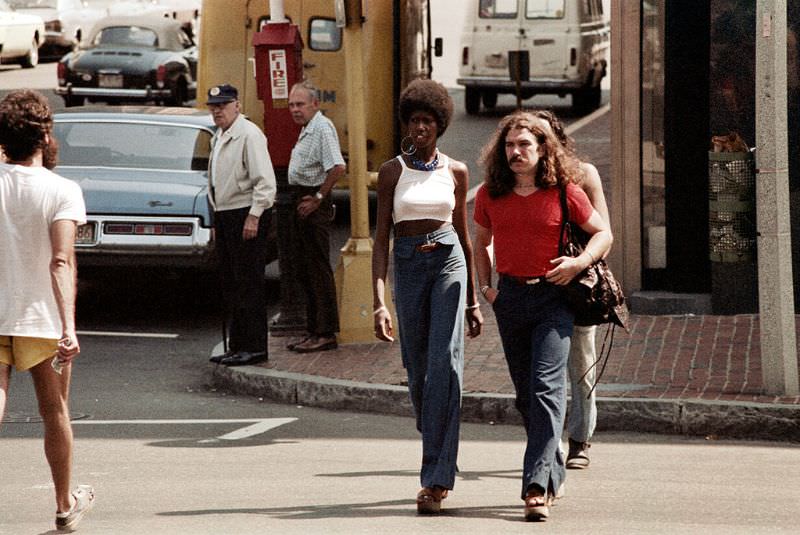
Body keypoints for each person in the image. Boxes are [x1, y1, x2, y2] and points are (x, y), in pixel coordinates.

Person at [473, 110, 612, 521]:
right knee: (524, 395)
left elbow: (603, 232)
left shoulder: (566, 191)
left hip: (554, 299)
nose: (516, 153)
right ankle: (551, 468)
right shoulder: (489, 194)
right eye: (510, 146)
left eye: (524, 146)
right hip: (511, 298)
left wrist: (579, 262)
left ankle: (536, 486)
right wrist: (487, 289)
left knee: (547, 387)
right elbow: (480, 243)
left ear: (542, 150)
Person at [372, 78, 483, 514]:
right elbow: (381, 239)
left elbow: (466, 237)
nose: (420, 129)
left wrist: (473, 300)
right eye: (414, 121)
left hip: (448, 264)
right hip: (408, 263)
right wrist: (380, 300)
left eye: (428, 122)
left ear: (440, 127)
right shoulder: (391, 172)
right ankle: (433, 427)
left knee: (444, 366)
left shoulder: (456, 171)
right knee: (418, 371)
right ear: (406, 123)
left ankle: (436, 479)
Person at [0, 89, 95, 531]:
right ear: (45, 136)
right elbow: (61, 260)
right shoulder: (62, 191)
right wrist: (69, 325)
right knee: (54, 410)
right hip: (42, 317)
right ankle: (63, 503)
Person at [532, 109, 610, 469]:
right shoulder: (525, 178)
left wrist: (579, 263)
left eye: (545, 138)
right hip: (538, 284)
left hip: (577, 281)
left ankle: (580, 437)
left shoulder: (583, 175)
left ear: (559, 141)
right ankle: (549, 442)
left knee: (581, 360)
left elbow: (605, 233)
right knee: (545, 369)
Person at [206, 84, 277, 366]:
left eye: (222, 106)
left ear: (236, 105)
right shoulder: (220, 136)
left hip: (244, 213)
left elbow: (265, 182)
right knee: (232, 283)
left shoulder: (249, 135)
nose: (217, 112)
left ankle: (255, 346)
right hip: (225, 213)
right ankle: (237, 344)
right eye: (213, 107)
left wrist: (254, 215)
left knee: (249, 283)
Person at [285, 81, 346, 353]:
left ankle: (325, 332)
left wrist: (318, 198)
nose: (295, 109)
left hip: (313, 200)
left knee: (318, 269)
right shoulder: (307, 129)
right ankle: (313, 330)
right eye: (291, 105)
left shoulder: (321, 128)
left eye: (300, 104)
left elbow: (337, 166)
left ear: (314, 104)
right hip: (301, 198)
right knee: (305, 268)